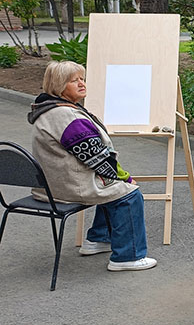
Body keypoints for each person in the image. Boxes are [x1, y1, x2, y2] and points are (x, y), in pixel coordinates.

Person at [28, 61, 156, 272]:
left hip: (52, 184)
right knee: (129, 194)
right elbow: (98, 159)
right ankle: (127, 257)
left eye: (82, 79)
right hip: (68, 186)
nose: (81, 84)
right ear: (59, 87)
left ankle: (97, 240)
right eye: (73, 80)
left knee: (112, 187)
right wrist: (126, 178)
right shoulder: (68, 117)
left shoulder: (50, 111)